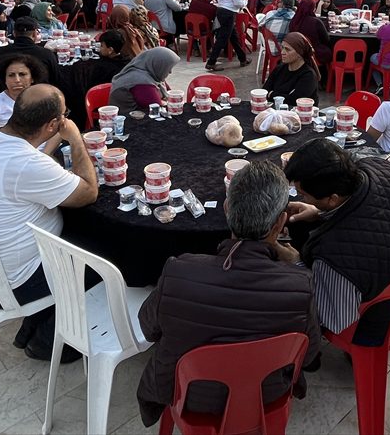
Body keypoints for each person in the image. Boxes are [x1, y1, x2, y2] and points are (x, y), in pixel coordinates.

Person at [135, 160, 321, 427]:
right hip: (265, 396)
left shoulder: (178, 272)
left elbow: (148, 328)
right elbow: (309, 354)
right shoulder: (300, 284)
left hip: (190, 397)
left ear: (226, 210)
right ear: (281, 223)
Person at [0, 85, 98, 362]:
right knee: (104, 255)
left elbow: (29, 174)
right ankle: (47, 339)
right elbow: (88, 192)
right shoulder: (25, 163)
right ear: (53, 124)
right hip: (12, 282)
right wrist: (76, 139)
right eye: (64, 115)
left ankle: (31, 325)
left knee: (76, 234)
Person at [283, 140, 390, 338]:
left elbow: (334, 319)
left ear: (332, 198)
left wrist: (296, 265)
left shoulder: (332, 257)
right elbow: (373, 212)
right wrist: (319, 212)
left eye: (304, 194)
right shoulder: (382, 167)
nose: (301, 198)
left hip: (376, 321)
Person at [204, 0, 250, 72]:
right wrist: (244, 3)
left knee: (233, 36)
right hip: (229, 12)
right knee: (223, 38)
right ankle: (211, 62)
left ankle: (242, 58)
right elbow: (237, 2)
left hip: (221, 10)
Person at [110, 46, 180, 112]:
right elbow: (156, 109)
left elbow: (171, 95)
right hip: (130, 120)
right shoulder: (141, 82)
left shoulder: (153, 73)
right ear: (158, 64)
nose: (170, 72)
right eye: (168, 68)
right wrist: (164, 102)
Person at [262, 32, 320, 105]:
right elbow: (264, 92)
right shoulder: (280, 69)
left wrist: (272, 94)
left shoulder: (308, 76)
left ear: (299, 53)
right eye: (282, 48)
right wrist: (283, 96)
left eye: (287, 50)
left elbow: (294, 101)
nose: (282, 52)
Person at [288, 0, 332, 70]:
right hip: (314, 54)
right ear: (312, 8)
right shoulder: (316, 22)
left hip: (296, 51)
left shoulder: (294, 21)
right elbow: (326, 39)